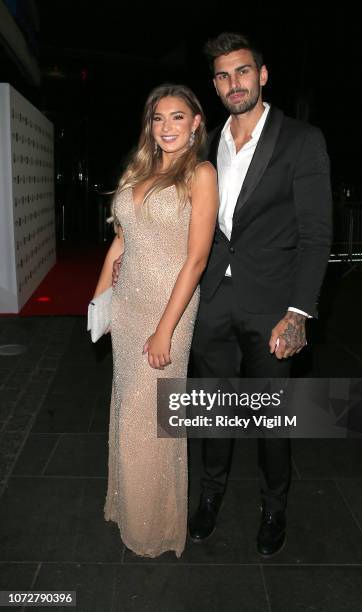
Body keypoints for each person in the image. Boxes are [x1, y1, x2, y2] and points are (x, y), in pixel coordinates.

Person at [187, 32, 332, 556]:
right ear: (216, 85)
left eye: (243, 71)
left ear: (262, 75)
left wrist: (298, 313)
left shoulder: (301, 140)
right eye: (223, 76)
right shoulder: (207, 143)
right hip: (212, 305)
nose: (234, 84)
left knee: (271, 418)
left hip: (274, 307)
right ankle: (209, 498)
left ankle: (275, 507)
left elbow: (317, 235)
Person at [93, 83, 218, 558]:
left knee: (154, 417)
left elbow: (197, 259)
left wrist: (165, 327)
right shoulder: (137, 172)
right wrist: (99, 302)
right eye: (158, 118)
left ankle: (152, 527)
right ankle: (126, 505)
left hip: (170, 306)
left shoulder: (200, 174)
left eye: (177, 117)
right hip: (127, 306)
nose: (167, 127)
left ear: (195, 124)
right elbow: (120, 244)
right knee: (129, 409)